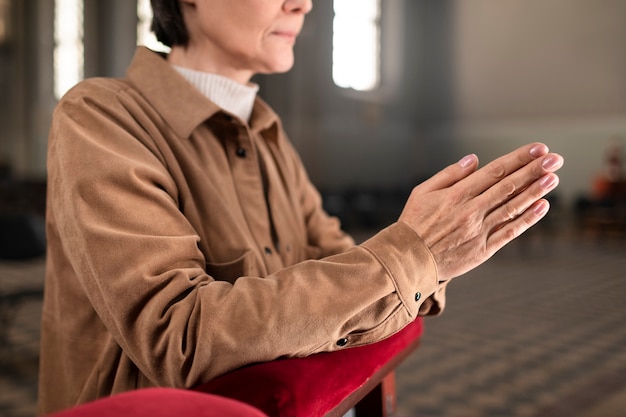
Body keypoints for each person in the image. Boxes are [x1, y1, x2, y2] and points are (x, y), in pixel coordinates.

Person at [38, 0, 564, 414]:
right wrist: (415, 255)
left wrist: (434, 254)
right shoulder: (100, 116)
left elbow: (347, 266)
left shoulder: (268, 134)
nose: (303, 4)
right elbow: (179, 339)